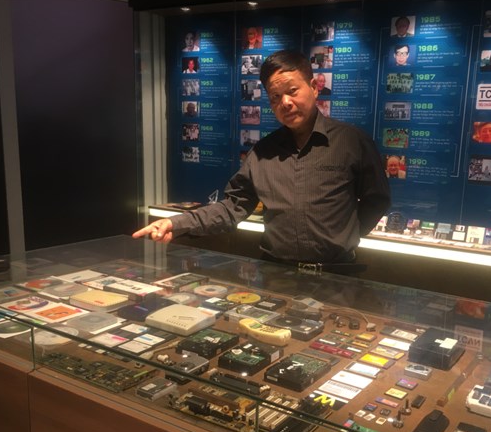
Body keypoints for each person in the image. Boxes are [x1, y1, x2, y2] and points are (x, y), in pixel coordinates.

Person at [133, 49, 390, 268]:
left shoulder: (351, 141)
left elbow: (376, 199)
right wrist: (176, 223)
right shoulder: (263, 151)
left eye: (292, 91)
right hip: (276, 273)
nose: (285, 102)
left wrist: (347, 235)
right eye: (275, 97)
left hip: (337, 273)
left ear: (313, 88)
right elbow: (232, 206)